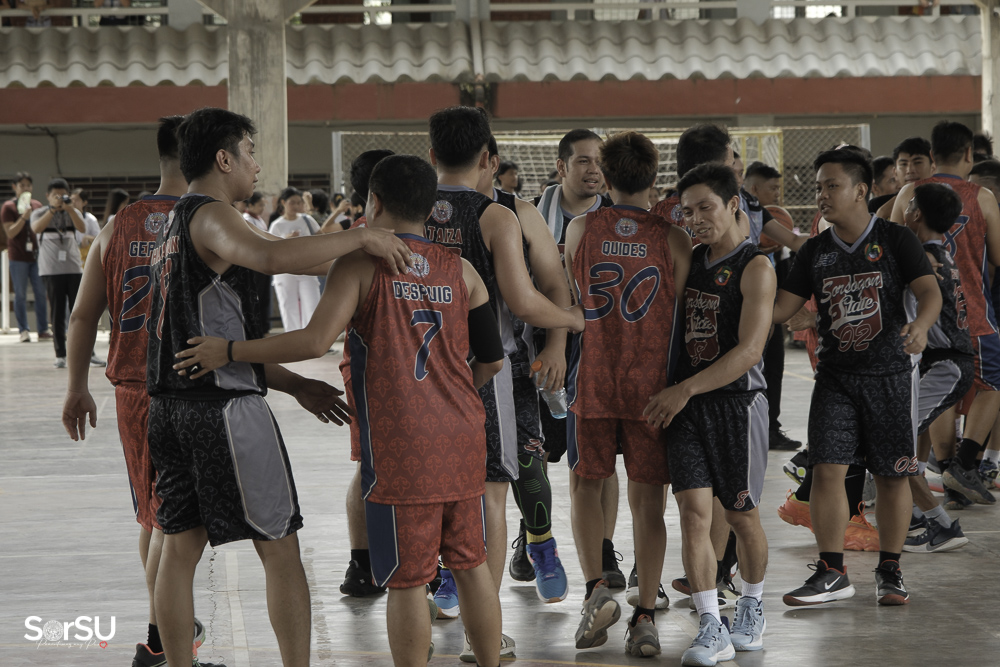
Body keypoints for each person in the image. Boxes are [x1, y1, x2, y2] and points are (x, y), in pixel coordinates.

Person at [176, 154, 507, 667]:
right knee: (471, 565)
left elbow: (314, 340)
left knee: (407, 580)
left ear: (372, 202)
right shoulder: (462, 271)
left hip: (403, 447)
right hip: (464, 435)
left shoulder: (361, 265)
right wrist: (453, 397)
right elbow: (491, 360)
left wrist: (232, 350)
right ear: (430, 208)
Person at [142, 106, 412, 667]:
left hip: (170, 408)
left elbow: (215, 335)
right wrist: (365, 235)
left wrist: (292, 384)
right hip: (223, 412)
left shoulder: (174, 223)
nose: (257, 165)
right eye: (250, 152)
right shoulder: (212, 214)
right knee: (281, 548)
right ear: (224, 159)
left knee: (179, 549)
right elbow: (272, 257)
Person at [59, 116, 222, 667]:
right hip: (183, 386)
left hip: (131, 388)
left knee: (154, 518)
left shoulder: (117, 224)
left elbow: (83, 315)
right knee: (176, 524)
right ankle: (159, 640)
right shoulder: (206, 219)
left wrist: (76, 387)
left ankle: (166, 632)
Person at [424, 106, 584, 660]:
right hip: (487, 370)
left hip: (421, 375)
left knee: (443, 493)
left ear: (431, 155)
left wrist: (556, 341)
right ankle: (484, 631)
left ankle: (535, 548)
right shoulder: (495, 217)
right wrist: (572, 322)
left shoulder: (407, 209)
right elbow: (526, 300)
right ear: (487, 158)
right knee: (491, 496)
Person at [774, 148, 941, 607]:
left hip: (890, 377)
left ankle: (890, 568)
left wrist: (922, 325)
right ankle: (832, 571)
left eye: (832, 186)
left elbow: (929, 292)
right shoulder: (815, 251)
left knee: (891, 476)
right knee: (827, 470)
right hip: (836, 378)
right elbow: (780, 309)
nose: (822, 195)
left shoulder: (895, 239)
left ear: (861, 190)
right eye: (819, 187)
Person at [564, 131, 692, 656]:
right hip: (651, 388)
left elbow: (572, 294)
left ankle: (596, 589)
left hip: (593, 378)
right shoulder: (674, 238)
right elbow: (681, 314)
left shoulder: (580, 229)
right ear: (655, 178)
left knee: (585, 487)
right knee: (648, 504)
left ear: (606, 176)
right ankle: (644, 616)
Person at [649, 162, 773, 664]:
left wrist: (684, 389)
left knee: (741, 515)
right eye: (687, 211)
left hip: (737, 406)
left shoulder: (756, 267)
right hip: (688, 408)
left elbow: (749, 351)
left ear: (733, 205)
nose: (696, 219)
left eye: (706, 208)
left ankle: (752, 606)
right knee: (693, 515)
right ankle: (710, 624)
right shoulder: (691, 260)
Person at [478, 137, 572, 604]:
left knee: (528, 464)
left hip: (513, 363)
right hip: (445, 367)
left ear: (490, 162)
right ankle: (455, 566)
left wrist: (556, 343)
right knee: (459, 475)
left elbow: (554, 283)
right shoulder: (429, 208)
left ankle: (541, 546)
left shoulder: (518, 212)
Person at [534, 129, 626, 589]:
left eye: (599, 161)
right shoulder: (528, 217)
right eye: (584, 161)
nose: (594, 170)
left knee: (598, 461)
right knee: (535, 453)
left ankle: (604, 551)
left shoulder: (617, 219)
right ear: (561, 167)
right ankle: (534, 533)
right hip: (539, 348)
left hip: (597, 353)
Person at [890, 121, 1000, 504]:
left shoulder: (909, 193)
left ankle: (944, 468)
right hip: (972, 312)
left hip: (919, 315)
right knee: (991, 384)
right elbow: (998, 256)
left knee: (938, 390)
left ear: (932, 155)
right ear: (969, 153)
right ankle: (964, 465)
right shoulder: (982, 196)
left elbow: (892, 245)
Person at [898, 183, 975, 552]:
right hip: (944, 362)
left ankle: (941, 526)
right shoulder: (942, 252)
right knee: (904, 443)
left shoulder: (922, 257)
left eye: (908, 204)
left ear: (915, 214)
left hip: (946, 365)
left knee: (893, 443)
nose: (903, 209)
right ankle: (915, 517)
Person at [336, 148, 397, 599]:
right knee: (372, 463)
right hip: (371, 366)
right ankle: (363, 562)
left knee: (380, 464)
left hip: (415, 367)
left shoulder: (419, 235)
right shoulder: (357, 242)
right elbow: (316, 336)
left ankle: (389, 558)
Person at [30, 178, 86, 368]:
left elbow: (82, 228)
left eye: (63, 195)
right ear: (47, 196)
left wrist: (70, 209)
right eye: (55, 195)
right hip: (51, 270)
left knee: (78, 312)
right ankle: (60, 354)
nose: (60, 199)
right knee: (57, 312)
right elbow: (36, 228)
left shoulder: (73, 211)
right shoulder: (39, 212)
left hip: (73, 268)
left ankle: (85, 352)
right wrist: (53, 209)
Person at [1, 171, 49, 343]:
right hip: (18, 257)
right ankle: (24, 330)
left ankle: (43, 329)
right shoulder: (8, 207)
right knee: (20, 294)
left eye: (28, 185)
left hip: (37, 256)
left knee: (40, 293)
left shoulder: (37, 205)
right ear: (15, 187)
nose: (26, 188)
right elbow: (10, 233)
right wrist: (23, 217)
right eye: (22, 185)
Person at [268, 187, 322, 330]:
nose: (296, 206)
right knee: (288, 307)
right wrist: (285, 239)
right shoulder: (277, 225)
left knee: (312, 305)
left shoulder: (307, 220)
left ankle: (310, 338)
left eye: (299, 202)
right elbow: (269, 248)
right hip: (285, 271)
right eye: (292, 202)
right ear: (283, 203)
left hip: (308, 268)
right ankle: (292, 339)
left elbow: (321, 238)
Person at [873, 137, 935, 219]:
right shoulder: (877, 205)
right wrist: (881, 214)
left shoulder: (945, 199)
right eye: (903, 164)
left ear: (933, 168)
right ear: (895, 172)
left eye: (917, 163)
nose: (910, 170)